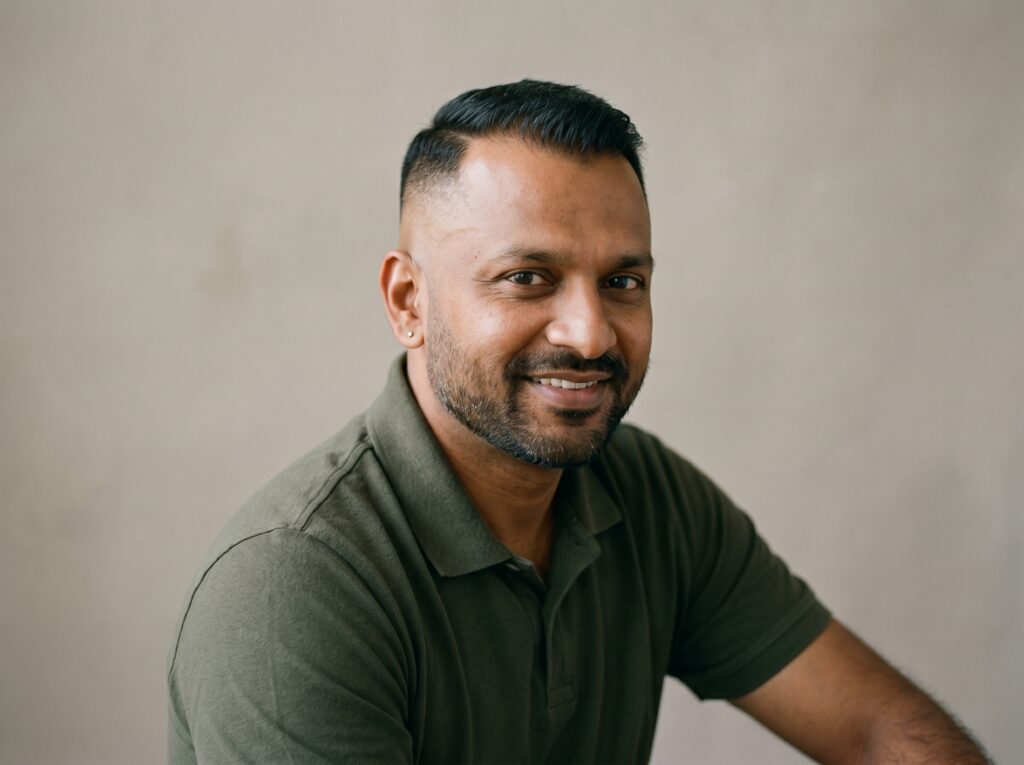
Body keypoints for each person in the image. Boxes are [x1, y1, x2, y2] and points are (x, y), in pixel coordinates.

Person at [167, 80, 989, 764]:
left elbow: (888, 733)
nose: (591, 334)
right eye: (528, 277)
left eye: (624, 282)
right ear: (408, 302)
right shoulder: (294, 585)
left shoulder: (649, 495)